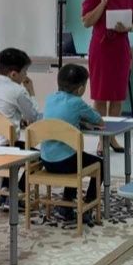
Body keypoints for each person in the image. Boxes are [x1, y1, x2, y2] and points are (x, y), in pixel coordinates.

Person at [81, 0, 133, 156]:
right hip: (100, 51)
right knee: (100, 96)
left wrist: (128, 28)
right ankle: (102, 139)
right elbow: (86, 22)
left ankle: (113, 137)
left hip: (120, 51)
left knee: (117, 96)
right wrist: (103, 3)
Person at [0, 47, 43, 208]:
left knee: (8, 142)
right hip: (6, 152)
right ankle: (16, 193)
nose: (26, 76)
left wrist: (17, 120)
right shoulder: (18, 90)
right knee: (41, 156)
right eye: (25, 72)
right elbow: (34, 116)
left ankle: (4, 190)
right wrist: (31, 92)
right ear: (13, 74)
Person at [41, 64, 105, 222]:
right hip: (66, 163)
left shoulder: (50, 98)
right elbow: (99, 120)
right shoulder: (77, 102)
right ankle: (88, 204)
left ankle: (67, 204)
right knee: (100, 164)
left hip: (46, 160)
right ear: (81, 89)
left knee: (73, 155)